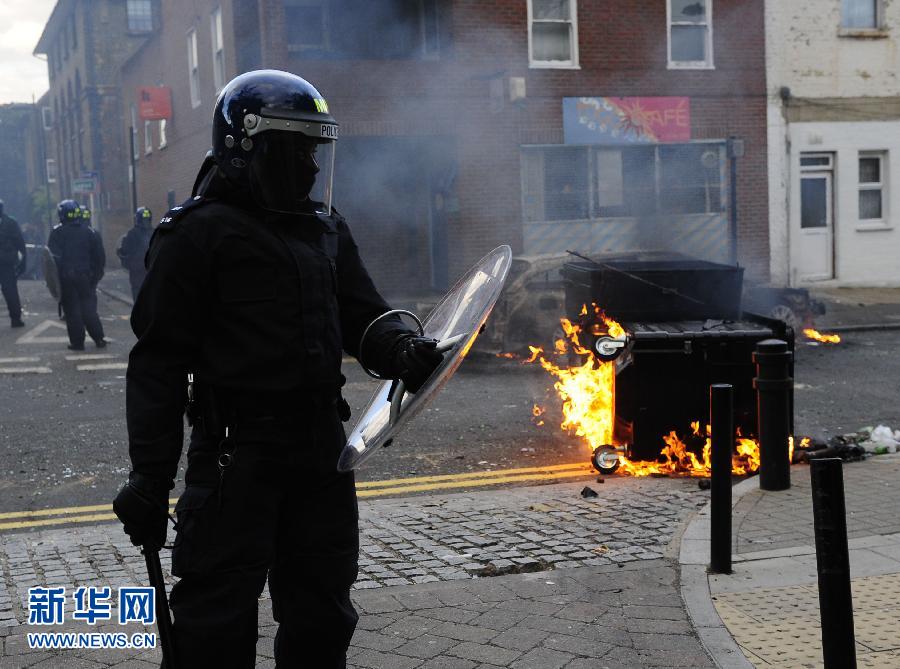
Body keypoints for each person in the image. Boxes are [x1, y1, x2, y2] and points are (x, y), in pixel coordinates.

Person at [112, 70, 444, 668]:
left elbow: (364, 314)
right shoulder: (196, 235)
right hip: (236, 453)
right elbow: (158, 364)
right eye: (296, 150)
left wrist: (399, 348)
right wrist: (149, 476)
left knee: (323, 610)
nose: (313, 168)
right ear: (247, 148)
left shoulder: (324, 229)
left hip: (321, 449)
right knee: (214, 619)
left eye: (317, 150)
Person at [47, 200, 106, 350]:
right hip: (86, 278)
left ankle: (78, 343)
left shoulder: (57, 233)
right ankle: (99, 338)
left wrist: (56, 283)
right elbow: (99, 258)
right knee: (89, 309)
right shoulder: (89, 232)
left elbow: (53, 261)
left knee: (72, 311)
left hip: (67, 279)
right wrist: (94, 279)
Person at [116, 207, 153, 300]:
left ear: (137, 219)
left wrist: (120, 253)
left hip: (137, 275)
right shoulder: (155, 232)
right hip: (153, 273)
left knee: (139, 301)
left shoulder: (132, 234)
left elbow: (124, 251)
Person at [0, 199, 26, 328]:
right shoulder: (11, 222)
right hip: (6, 262)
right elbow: (20, 242)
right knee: (10, 291)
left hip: (6, 262)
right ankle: (15, 319)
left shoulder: (11, 222)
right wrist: (23, 261)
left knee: (10, 291)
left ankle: (16, 318)